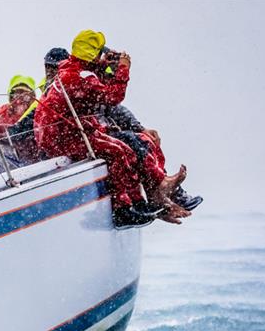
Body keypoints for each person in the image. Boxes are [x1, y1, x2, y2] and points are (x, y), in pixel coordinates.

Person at [34, 30, 193, 228]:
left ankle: (142, 201)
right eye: (99, 52)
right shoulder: (77, 76)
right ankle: (123, 209)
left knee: (132, 146)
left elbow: (92, 79)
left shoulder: (72, 69)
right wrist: (124, 69)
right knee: (118, 152)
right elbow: (113, 97)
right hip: (63, 137)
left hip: (73, 131)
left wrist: (105, 63)